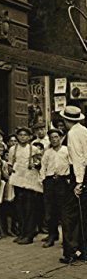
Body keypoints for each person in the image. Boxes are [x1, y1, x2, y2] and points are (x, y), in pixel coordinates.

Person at [59, 106, 87, 263]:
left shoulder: (73, 133)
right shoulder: (84, 130)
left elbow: (78, 158)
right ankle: (83, 250)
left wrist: (78, 182)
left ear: (66, 120)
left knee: (68, 214)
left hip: (78, 174)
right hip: (84, 172)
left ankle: (70, 251)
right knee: (82, 213)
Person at [8, 126, 39, 245]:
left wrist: (34, 164)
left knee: (29, 207)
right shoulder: (12, 149)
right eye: (20, 135)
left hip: (29, 181)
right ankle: (22, 232)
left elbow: (38, 163)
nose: (22, 137)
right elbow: (10, 164)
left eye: (25, 135)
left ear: (29, 137)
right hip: (18, 181)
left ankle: (29, 234)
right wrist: (11, 170)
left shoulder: (34, 149)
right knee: (19, 207)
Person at [39, 128, 70, 248]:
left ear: (61, 138)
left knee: (63, 210)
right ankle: (52, 235)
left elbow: (71, 164)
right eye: (52, 138)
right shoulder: (48, 152)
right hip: (50, 181)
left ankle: (66, 238)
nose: (54, 140)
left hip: (62, 182)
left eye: (56, 137)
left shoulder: (66, 151)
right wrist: (43, 180)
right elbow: (43, 167)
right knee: (50, 210)